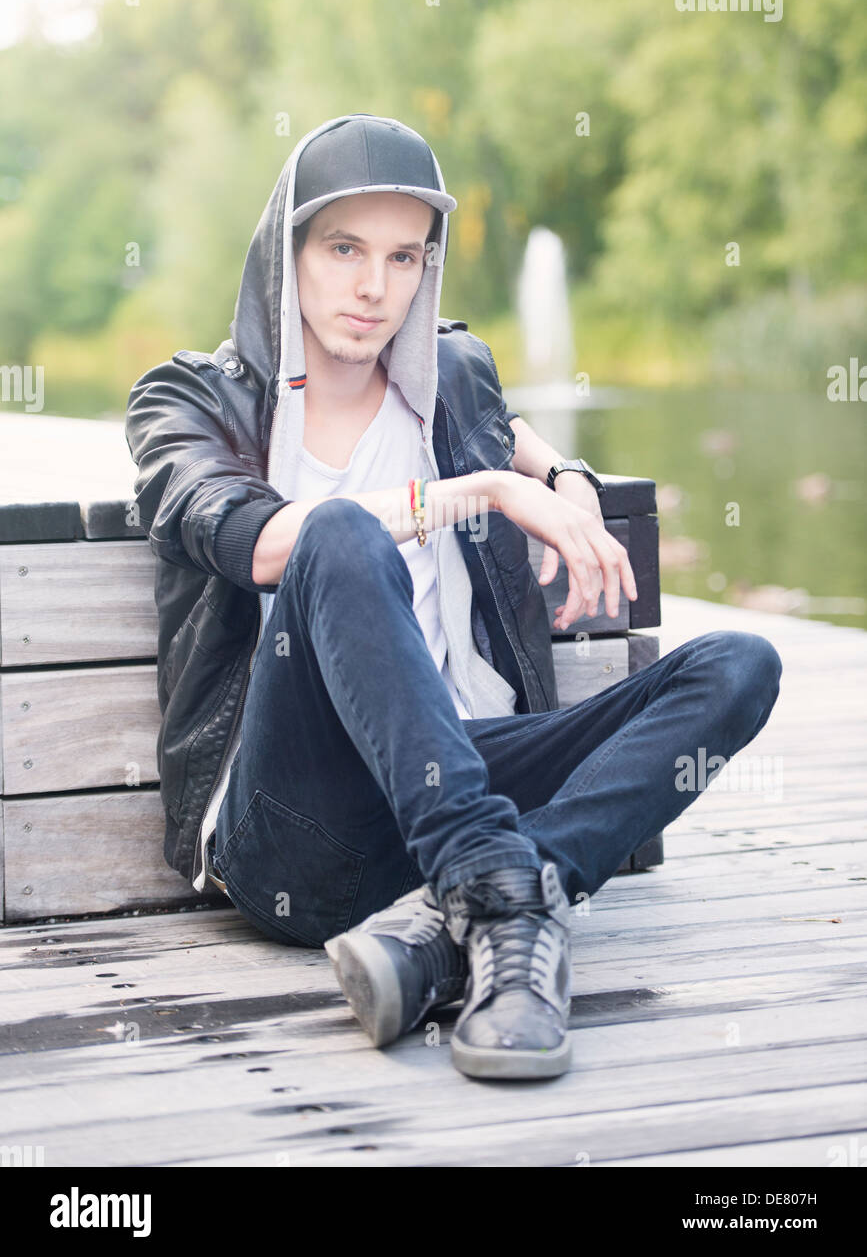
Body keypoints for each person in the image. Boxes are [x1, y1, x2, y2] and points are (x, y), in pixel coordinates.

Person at [126, 113, 782, 1082]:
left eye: (403, 257)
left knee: (740, 666)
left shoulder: (453, 378)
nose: (372, 288)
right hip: (296, 833)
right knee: (338, 530)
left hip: (453, 784)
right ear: (286, 252)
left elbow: (514, 435)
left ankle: (458, 922)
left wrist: (565, 476)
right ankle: (503, 895)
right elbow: (259, 542)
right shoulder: (189, 401)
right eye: (344, 248)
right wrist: (477, 494)